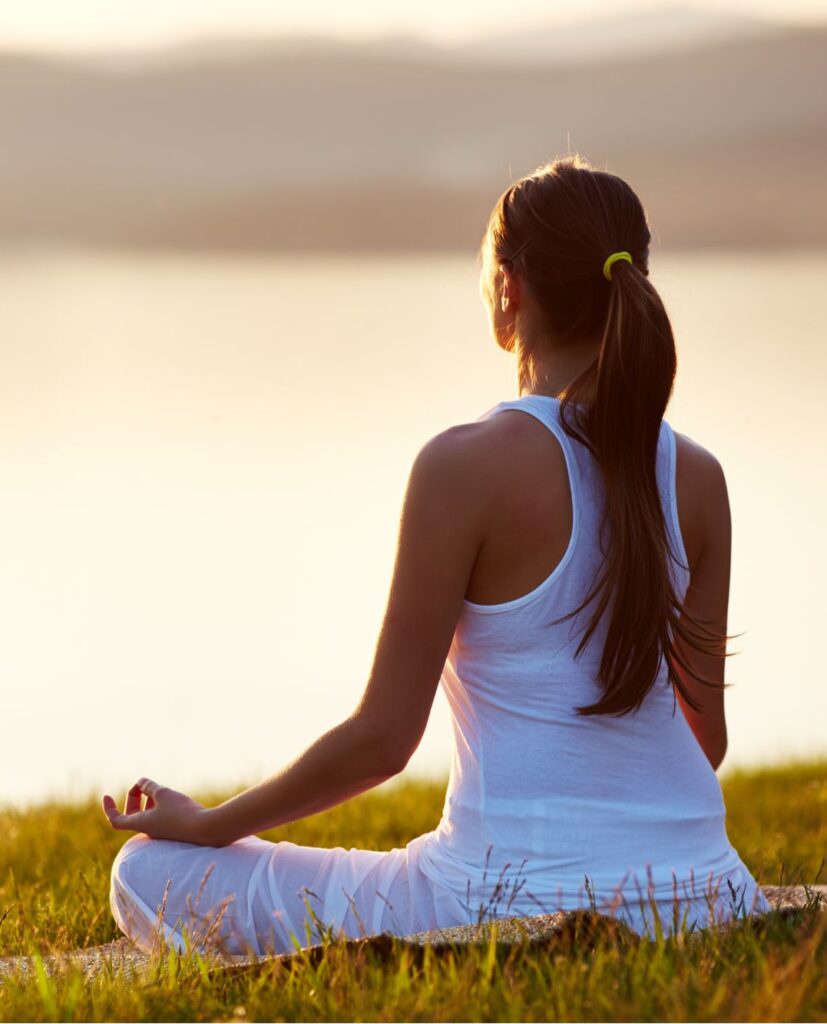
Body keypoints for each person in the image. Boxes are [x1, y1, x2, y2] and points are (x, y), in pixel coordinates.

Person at [104, 153, 771, 955]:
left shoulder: (462, 467)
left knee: (145, 872)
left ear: (508, 291)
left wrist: (210, 824)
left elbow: (384, 743)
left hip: (497, 900)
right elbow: (706, 742)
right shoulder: (696, 476)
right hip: (709, 891)